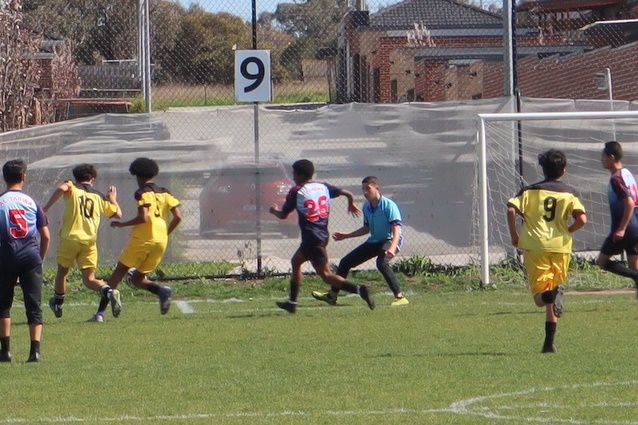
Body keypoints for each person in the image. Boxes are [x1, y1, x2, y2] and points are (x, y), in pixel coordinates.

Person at [506, 149, 586, 353]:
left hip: (535, 245)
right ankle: (549, 343)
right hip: (561, 247)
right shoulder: (569, 192)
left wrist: (515, 236)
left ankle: (551, 299)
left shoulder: (529, 191)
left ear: (542, 169)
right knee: (553, 291)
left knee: (540, 299)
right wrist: (568, 230)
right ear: (564, 170)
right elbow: (582, 219)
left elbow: (511, 209)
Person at [269, 159, 375, 313]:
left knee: (326, 275)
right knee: (296, 261)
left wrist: (273, 210)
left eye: (294, 173)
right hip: (321, 236)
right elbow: (346, 192)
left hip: (312, 238)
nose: (293, 177)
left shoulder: (297, 191)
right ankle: (292, 303)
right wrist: (351, 202)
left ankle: (360, 290)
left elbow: (284, 215)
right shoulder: (323, 186)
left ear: (299, 174)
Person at [90, 157, 182, 321]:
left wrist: (121, 224)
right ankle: (161, 291)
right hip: (161, 241)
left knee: (117, 275)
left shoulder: (142, 193)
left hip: (143, 239)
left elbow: (144, 218)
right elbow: (178, 216)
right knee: (137, 278)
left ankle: (99, 314)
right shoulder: (166, 192)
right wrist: (166, 233)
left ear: (138, 176)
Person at [42, 164, 122, 320]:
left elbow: (61, 189)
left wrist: (45, 208)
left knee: (62, 272)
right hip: (89, 242)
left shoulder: (72, 187)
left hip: (70, 238)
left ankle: (58, 304)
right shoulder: (99, 196)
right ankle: (110, 292)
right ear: (92, 179)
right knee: (89, 279)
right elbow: (118, 214)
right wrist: (113, 199)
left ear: (75, 178)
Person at [312, 176, 408, 306]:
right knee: (345, 262)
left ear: (377, 188)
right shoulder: (366, 207)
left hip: (390, 240)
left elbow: (396, 230)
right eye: (363, 189)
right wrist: (346, 236)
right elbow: (366, 229)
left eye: (368, 188)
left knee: (382, 263)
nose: (365, 192)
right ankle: (332, 296)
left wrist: (392, 248)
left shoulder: (389, 205)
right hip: (375, 241)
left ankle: (400, 297)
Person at [0, 160, 50, 362]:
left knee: (3, 304)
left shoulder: (1, 201)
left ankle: (5, 351)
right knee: (34, 304)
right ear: (23, 177)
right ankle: (35, 352)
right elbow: (46, 235)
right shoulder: (32, 202)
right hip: (30, 257)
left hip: (6, 256)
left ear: (4, 178)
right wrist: (40, 259)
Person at [596, 141, 638, 294]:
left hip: (625, 228)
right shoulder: (626, 173)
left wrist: (621, 228)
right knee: (634, 265)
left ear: (611, 157)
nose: (601, 160)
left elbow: (629, 202)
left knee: (601, 262)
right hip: (635, 225)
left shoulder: (616, 179)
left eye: (603, 156)